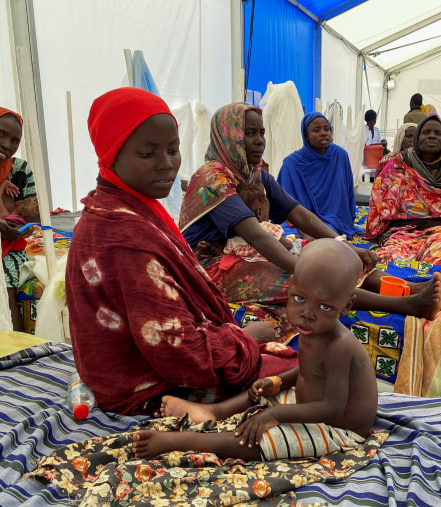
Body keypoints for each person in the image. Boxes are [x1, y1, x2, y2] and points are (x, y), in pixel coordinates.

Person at [65, 88, 298, 416]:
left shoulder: (123, 209)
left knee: (297, 358)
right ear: (112, 154)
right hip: (145, 384)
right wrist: (244, 340)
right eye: (148, 153)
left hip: (136, 365)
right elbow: (180, 354)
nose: (167, 164)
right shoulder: (125, 237)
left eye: (173, 150)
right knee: (306, 372)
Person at [180, 104, 441, 334]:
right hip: (211, 266)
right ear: (229, 136)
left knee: (330, 254)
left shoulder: (254, 174)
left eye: (261, 132)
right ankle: (408, 305)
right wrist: (302, 268)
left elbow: (298, 214)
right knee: (303, 279)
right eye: (249, 133)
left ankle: (412, 288)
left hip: (245, 251)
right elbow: (255, 235)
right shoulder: (212, 177)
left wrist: (344, 245)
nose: (260, 140)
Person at [132, 239, 378, 460]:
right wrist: (279, 381)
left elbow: (333, 407)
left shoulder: (339, 345)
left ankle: (184, 442)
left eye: (324, 307)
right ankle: (214, 411)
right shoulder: (313, 330)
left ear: (346, 306)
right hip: (311, 406)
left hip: (336, 428)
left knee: (260, 438)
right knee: (261, 390)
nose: (307, 314)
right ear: (290, 291)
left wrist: (278, 415)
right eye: (299, 299)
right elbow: (309, 368)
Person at [367, 114, 441, 296]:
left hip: (437, 230)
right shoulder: (397, 164)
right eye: (426, 132)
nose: (432, 136)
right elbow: (379, 201)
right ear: (417, 138)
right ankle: (406, 290)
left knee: (440, 254)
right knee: (389, 259)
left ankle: (431, 291)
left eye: (438, 133)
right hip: (400, 231)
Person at [0, 107, 38, 332]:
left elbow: (32, 213)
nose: (7, 144)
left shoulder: (20, 169)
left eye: (15, 140)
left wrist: (23, 229)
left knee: (6, 285)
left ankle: (15, 347)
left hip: (9, 244)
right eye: (0, 134)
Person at [278, 112, 357, 239]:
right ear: (306, 136)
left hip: (334, 218)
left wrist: (347, 219)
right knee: (282, 234)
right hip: (300, 220)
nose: (323, 133)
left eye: (327, 129)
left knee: (328, 233)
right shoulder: (292, 163)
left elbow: (348, 192)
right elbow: (283, 201)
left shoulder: (340, 155)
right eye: (316, 130)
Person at [221, 183, 294, 261]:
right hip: (270, 268)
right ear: (259, 212)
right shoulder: (267, 228)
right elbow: (286, 246)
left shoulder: (233, 238)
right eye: (268, 212)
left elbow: (226, 254)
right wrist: (291, 239)